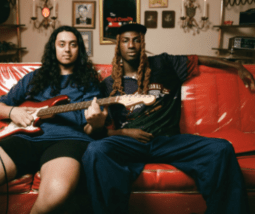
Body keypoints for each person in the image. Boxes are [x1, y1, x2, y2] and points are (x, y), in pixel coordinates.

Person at [82, 23, 255, 214]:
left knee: (221, 149)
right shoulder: (109, 84)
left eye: (136, 40)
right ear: (118, 46)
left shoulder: (164, 64)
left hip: (168, 141)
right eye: (125, 41)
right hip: (130, 143)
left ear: (142, 43)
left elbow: (200, 59)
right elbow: (98, 129)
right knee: (95, 150)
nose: (131, 45)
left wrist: (236, 65)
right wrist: (123, 132)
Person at [0, 25, 105, 214]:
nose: (67, 49)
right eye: (62, 44)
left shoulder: (90, 82)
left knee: (55, 194)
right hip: (25, 137)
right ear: (54, 48)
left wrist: (96, 123)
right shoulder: (35, 77)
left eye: (73, 45)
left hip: (69, 140)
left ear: (79, 49)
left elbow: (90, 130)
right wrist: (13, 113)